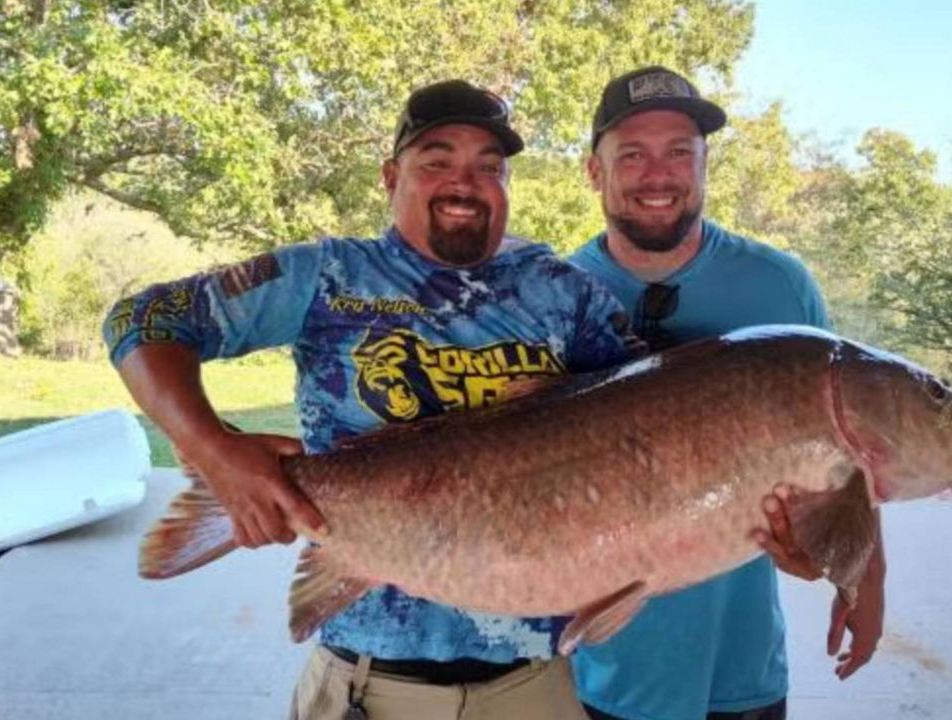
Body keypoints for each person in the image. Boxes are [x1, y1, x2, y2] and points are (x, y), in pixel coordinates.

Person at [103, 79, 637, 720]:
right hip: (367, 685)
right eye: (437, 161)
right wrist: (213, 449)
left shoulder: (562, 292)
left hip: (533, 684)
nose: (464, 183)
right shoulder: (327, 275)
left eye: (487, 167)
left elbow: (652, 408)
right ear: (391, 176)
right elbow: (143, 321)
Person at [567, 66, 888, 720]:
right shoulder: (555, 292)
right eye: (632, 154)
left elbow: (845, 448)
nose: (658, 173)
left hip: (742, 670)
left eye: (680, 152)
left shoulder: (781, 287)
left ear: (705, 164)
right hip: (605, 670)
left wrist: (866, 583)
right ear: (595, 171)